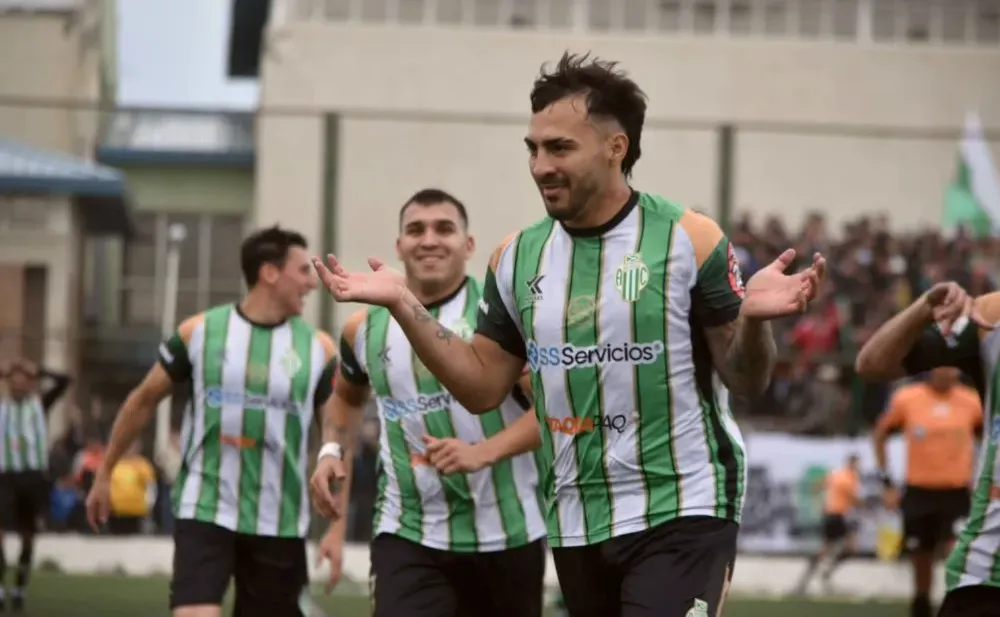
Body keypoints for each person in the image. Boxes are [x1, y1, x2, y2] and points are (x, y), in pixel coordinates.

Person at [312, 53, 825, 617]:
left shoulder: (689, 239)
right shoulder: (516, 257)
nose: (540, 166)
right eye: (533, 149)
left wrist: (752, 322)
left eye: (560, 148)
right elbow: (482, 387)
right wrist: (403, 302)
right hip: (577, 518)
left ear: (615, 147)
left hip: (684, 503)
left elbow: (747, 379)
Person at [309, 189, 547, 617]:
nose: (429, 240)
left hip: (506, 536)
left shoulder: (502, 319)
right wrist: (330, 450)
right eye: (416, 230)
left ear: (468, 245)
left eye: (444, 229)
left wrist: (483, 452)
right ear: (399, 246)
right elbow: (345, 397)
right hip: (406, 533)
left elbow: (555, 411)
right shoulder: (362, 328)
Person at [85, 226, 339, 617]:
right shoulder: (199, 332)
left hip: (280, 520)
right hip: (205, 508)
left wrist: (337, 520)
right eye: (303, 270)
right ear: (269, 272)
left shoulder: (319, 348)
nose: (312, 283)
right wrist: (105, 472)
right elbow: (143, 399)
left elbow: (337, 432)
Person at [856, 281, 999, 617]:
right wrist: (923, 308)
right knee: (921, 563)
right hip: (986, 571)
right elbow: (871, 364)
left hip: (956, 491)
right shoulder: (989, 317)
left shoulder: (967, 403)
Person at [874, 366, 982, 616]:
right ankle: (921, 604)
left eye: (952, 366)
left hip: (957, 492)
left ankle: (958, 603)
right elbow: (880, 434)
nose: (947, 372)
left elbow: (988, 438)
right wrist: (887, 483)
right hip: (919, 492)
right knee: (921, 556)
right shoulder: (906, 398)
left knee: (958, 552)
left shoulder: (971, 401)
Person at [0, 358, 71, 612]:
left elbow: (65, 381)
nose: (18, 385)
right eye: (14, 381)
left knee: (28, 537)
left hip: (32, 478)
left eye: (23, 381)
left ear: (30, 383)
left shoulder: (39, 404)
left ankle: (19, 587)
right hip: (5, 477)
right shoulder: (3, 408)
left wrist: (40, 371)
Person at [792, 453, 862, 595]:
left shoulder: (837, 474)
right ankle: (817, 577)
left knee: (841, 548)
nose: (859, 466)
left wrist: (821, 503)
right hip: (836, 516)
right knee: (842, 548)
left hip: (835, 515)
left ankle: (808, 581)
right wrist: (867, 505)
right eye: (857, 464)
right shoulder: (847, 477)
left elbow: (818, 486)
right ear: (852, 463)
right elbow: (852, 498)